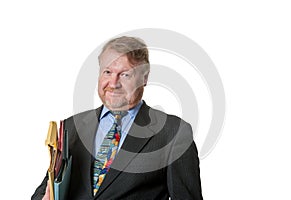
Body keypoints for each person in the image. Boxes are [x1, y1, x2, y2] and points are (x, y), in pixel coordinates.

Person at [32, 36, 203, 199]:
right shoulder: (72, 126)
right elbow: (45, 190)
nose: (113, 83)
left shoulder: (173, 132)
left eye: (125, 74)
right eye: (107, 72)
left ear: (144, 78)